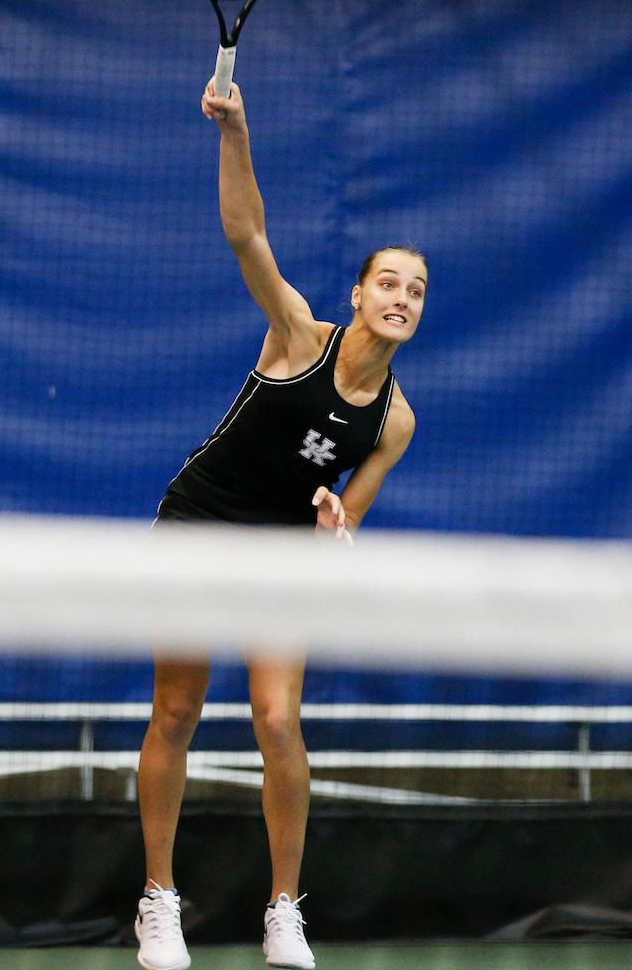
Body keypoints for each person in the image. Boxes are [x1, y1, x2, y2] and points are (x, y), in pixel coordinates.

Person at [134, 80, 427, 970]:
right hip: (195, 524)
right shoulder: (300, 337)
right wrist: (237, 132)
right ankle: (158, 900)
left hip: (280, 551)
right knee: (177, 710)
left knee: (275, 719)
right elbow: (245, 233)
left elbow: (345, 530)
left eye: (416, 290)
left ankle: (284, 910)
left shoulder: (396, 422)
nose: (401, 297)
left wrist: (338, 521)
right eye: (388, 281)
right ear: (358, 290)